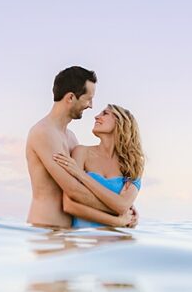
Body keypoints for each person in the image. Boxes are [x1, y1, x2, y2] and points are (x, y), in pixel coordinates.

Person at [25, 66, 137, 229]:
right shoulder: (43, 133)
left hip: (68, 232)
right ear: (71, 97)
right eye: (88, 98)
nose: (91, 106)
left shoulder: (70, 137)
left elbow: (86, 188)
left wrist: (125, 207)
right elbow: (74, 190)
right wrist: (119, 212)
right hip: (46, 229)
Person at [52, 104, 144, 228]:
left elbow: (122, 206)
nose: (96, 117)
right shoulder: (81, 152)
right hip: (84, 241)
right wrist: (117, 221)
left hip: (118, 243)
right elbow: (69, 205)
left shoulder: (133, 164)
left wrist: (82, 175)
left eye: (105, 113)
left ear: (121, 122)